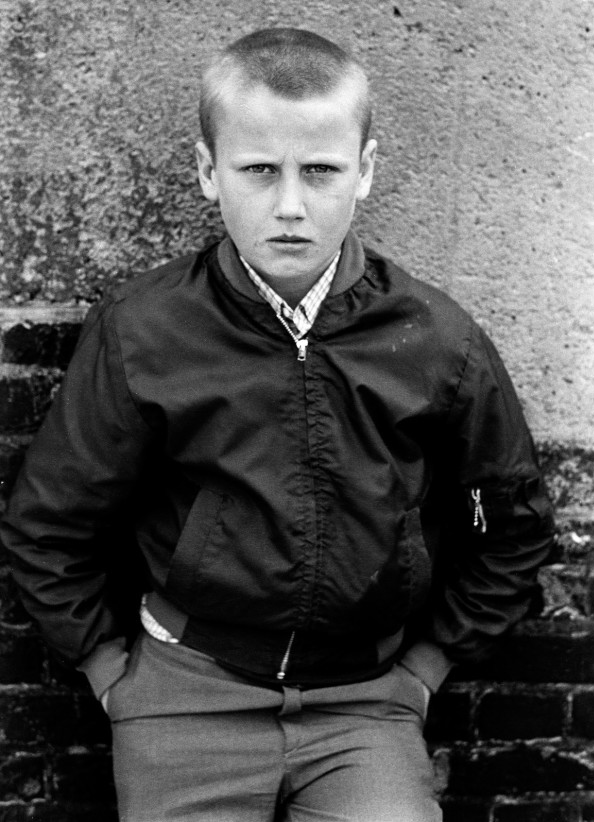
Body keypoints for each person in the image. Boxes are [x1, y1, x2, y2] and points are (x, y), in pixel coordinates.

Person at [0, 27, 555, 822]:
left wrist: (427, 666)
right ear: (206, 171)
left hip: (365, 700)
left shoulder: (437, 338)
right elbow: (49, 520)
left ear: (364, 173)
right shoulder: (146, 330)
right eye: (259, 170)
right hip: (184, 694)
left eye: (320, 171)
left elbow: (512, 524)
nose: (290, 206)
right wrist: (107, 670)